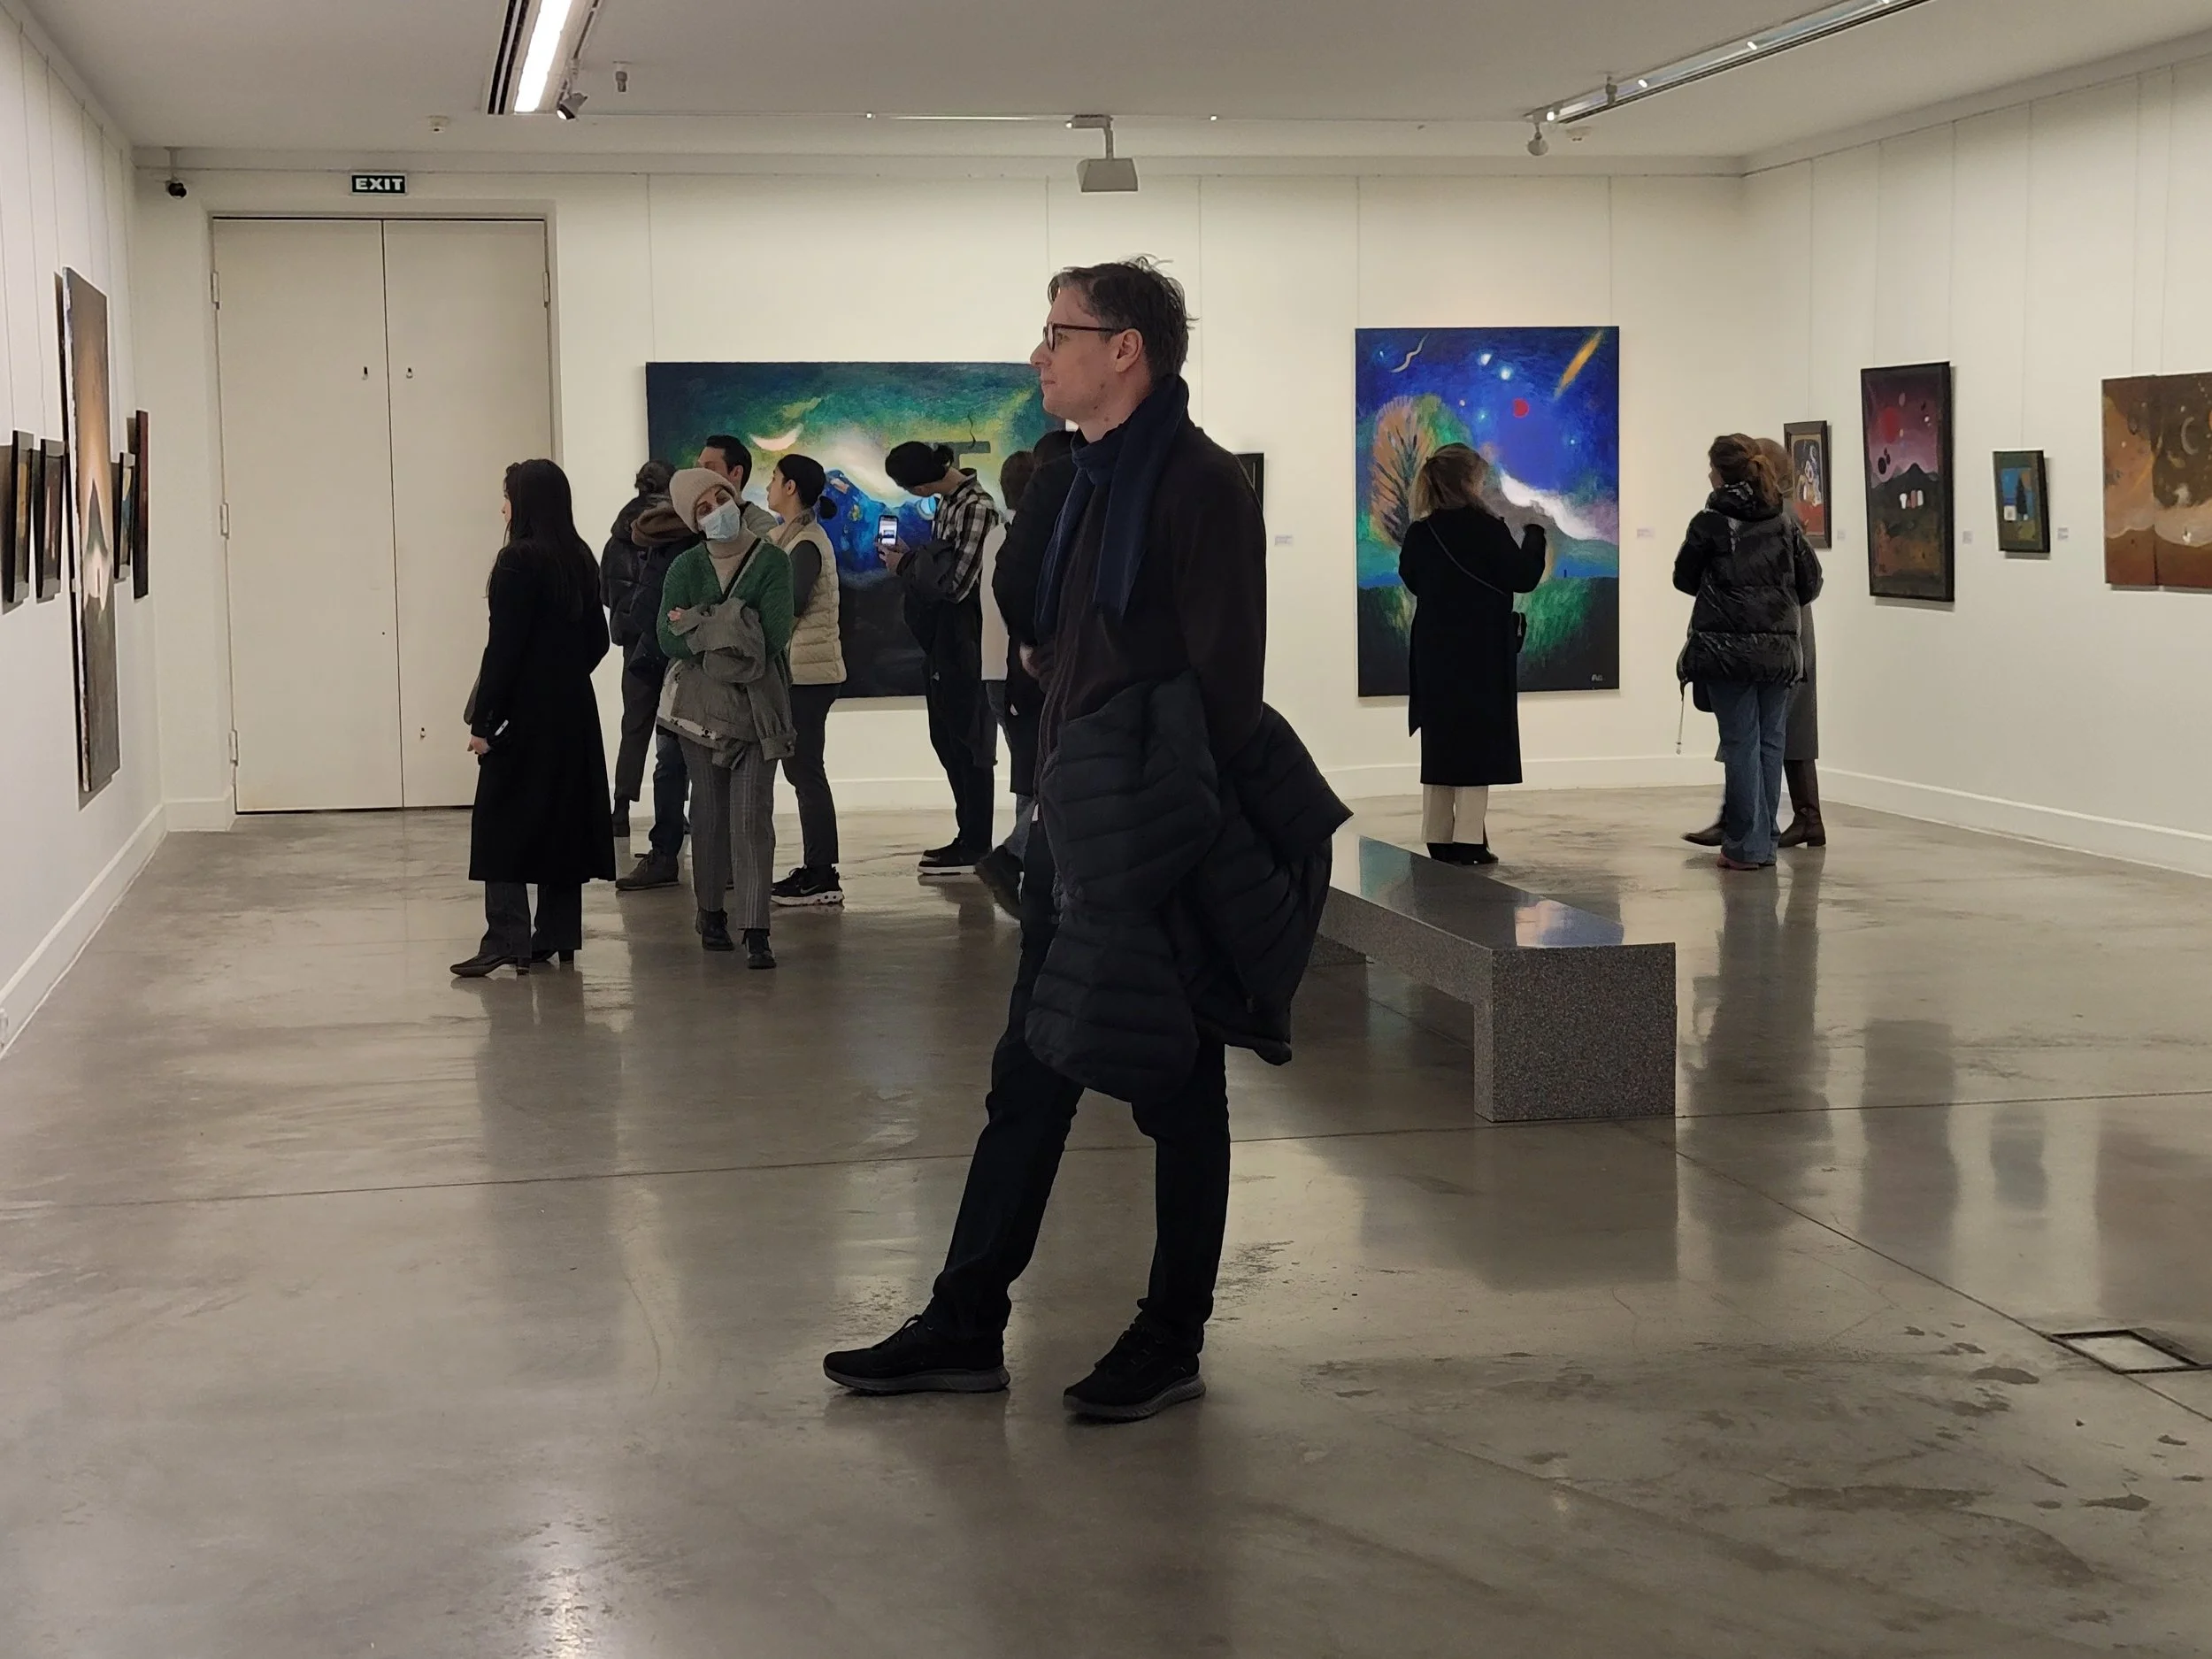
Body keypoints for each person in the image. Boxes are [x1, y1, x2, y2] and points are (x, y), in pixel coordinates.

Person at [826, 258, 1346, 1423]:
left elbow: (1226, 684)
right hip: (1076, 822)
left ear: (1127, 350)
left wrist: (1144, 813)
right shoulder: (1076, 478)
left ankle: (1171, 1335)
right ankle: (967, 1317)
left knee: (1179, 1085)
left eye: (1059, 331)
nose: (1038, 352)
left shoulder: (1200, 485)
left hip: (1153, 837)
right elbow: (1052, 636)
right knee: (1031, 1074)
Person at [451, 460, 617, 978]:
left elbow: (504, 649)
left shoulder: (516, 561)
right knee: (561, 818)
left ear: (523, 501)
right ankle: (558, 935)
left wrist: (484, 721)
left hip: (522, 714)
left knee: (501, 822)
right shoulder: (579, 556)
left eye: (506, 495)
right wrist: (561, 676)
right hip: (571, 710)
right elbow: (598, 641)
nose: (502, 506)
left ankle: (507, 936)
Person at [657, 467, 796, 968]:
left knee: (751, 816)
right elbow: (666, 636)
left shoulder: (772, 562)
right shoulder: (685, 568)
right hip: (700, 714)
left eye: (722, 497)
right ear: (693, 520)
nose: (717, 509)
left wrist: (703, 622)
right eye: (703, 507)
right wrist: (735, 624)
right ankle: (710, 911)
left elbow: (774, 634)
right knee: (710, 815)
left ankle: (756, 927)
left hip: (759, 712)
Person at [1674, 434, 1824, 872]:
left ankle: (1745, 844)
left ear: (1720, 473)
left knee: (1740, 743)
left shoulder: (1710, 522)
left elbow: (1685, 578)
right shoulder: (1783, 520)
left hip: (1727, 652)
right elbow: (1811, 582)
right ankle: (1764, 839)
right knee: (1770, 744)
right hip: (1778, 654)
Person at [1398, 442, 1546, 866]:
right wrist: (1534, 534)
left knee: (1441, 739)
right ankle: (1468, 840)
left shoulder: (1420, 533)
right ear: (1468, 480)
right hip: (1481, 648)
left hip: (1434, 647)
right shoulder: (1486, 528)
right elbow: (1523, 577)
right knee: (1478, 741)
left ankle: (1437, 834)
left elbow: (1413, 579)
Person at [883, 439, 1001, 877]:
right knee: (947, 738)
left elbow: (956, 585)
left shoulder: (975, 508)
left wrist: (907, 567)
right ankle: (966, 835)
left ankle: (977, 842)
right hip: (944, 642)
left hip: (966, 640)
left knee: (970, 741)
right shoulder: (950, 504)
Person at [764, 453, 849, 909]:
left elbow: (788, 605)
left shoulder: (807, 544)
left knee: (805, 770)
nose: (769, 485)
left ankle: (822, 872)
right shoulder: (793, 538)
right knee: (803, 770)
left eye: (775, 478)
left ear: (792, 487)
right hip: (804, 672)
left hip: (809, 676)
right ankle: (819, 867)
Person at [611, 495, 704, 891]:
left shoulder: (636, 537)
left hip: (649, 656)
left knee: (654, 747)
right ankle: (712, 855)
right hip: (687, 664)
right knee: (697, 760)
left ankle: (650, 837)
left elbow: (622, 599)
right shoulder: (692, 546)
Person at [972, 446, 1037, 915]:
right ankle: (1019, 860)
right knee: (1036, 772)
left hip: (996, 670)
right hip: (1020, 671)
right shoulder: (1021, 536)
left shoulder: (996, 535)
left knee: (1028, 772)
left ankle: (1025, 866)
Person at [602, 459, 674, 841]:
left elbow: (603, 592)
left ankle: (620, 809)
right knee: (677, 728)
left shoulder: (616, 538)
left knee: (634, 725)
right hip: (669, 639)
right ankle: (674, 812)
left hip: (633, 643)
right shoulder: (673, 532)